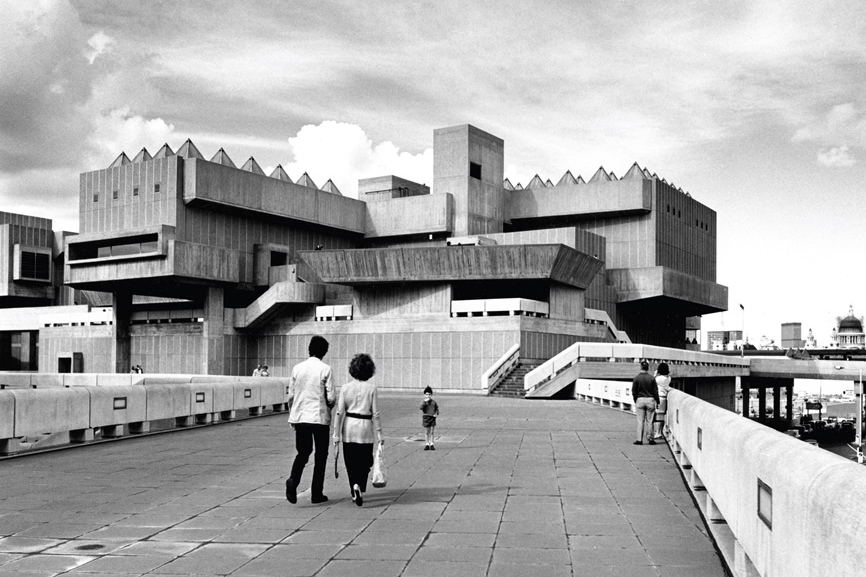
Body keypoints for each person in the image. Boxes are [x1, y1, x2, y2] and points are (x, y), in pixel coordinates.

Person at [286, 336, 334, 505]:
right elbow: (331, 397)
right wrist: (329, 406)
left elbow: (291, 395)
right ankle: (316, 493)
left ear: (309, 349)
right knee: (321, 455)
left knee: (303, 452)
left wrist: (293, 414)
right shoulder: (325, 369)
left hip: (301, 417)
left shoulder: (297, 368)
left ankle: (293, 479)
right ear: (324, 352)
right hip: (319, 417)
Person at [332, 353, 383, 507]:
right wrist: (380, 433)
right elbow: (375, 413)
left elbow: (339, 412)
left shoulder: (346, 388)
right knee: (366, 460)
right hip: (365, 427)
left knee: (351, 461)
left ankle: (354, 485)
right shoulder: (372, 388)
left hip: (349, 427)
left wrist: (336, 434)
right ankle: (360, 484)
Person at [632, 360, 659, 445]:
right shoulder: (651, 378)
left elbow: (634, 391)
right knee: (650, 421)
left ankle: (639, 440)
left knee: (640, 421)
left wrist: (636, 400)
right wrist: (657, 401)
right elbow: (655, 391)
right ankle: (650, 439)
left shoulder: (636, 378)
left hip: (640, 400)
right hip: (650, 400)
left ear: (641, 367)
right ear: (648, 368)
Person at [653, 362, 672, 440]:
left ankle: (657, 433)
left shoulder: (658, 379)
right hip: (664, 397)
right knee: (661, 415)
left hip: (658, 397)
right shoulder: (668, 378)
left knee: (657, 415)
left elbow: (652, 380)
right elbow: (667, 387)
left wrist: (655, 374)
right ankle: (659, 432)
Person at [420, 386, 439, 450]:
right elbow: (420, 408)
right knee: (426, 431)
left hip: (432, 417)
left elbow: (437, 409)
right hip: (426, 417)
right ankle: (427, 443)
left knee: (432, 431)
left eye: (429, 394)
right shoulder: (423, 402)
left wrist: (436, 413)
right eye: (427, 394)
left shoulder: (434, 402)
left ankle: (432, 444)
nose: (428, 396)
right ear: (424, 395)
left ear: (431, 395)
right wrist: (425, 402)